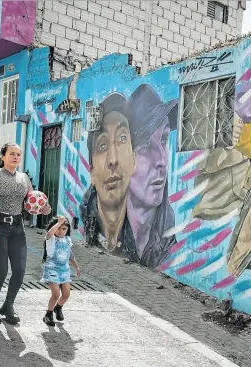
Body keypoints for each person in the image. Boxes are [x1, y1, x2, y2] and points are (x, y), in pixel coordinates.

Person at [0, 142, 52, 325]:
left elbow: (31, 201)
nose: (15, 157)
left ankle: (8, 305)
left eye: (18, 154)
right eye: (12, 153)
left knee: (20, 271)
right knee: (2, 270)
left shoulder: (24, 178)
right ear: (3, 156)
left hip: (17, 228)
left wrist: (42, 208)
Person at [125, 84, 177, 268]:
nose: (162, 160)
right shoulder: (111, 228)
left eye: (164, 140)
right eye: (146, 146)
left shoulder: (170, 236)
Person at [80, 92, 136, 253]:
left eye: (122, 139)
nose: (113, 160)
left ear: (134, 159)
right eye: (102, 146)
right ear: (92, 173)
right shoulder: (86, 218)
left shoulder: (144, 236)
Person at [41, 216, 81, 327]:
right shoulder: (51, 239)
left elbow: (71, 256)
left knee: (66, 294)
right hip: (52, 269)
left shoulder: (68, 240)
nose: (60, 231)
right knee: (56, 294)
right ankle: (48, 314)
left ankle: (58, 307)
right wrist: (58, 223)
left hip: (64, 271)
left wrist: (76, 267)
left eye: (64, 229)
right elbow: (49, 234)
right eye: (59, 228)